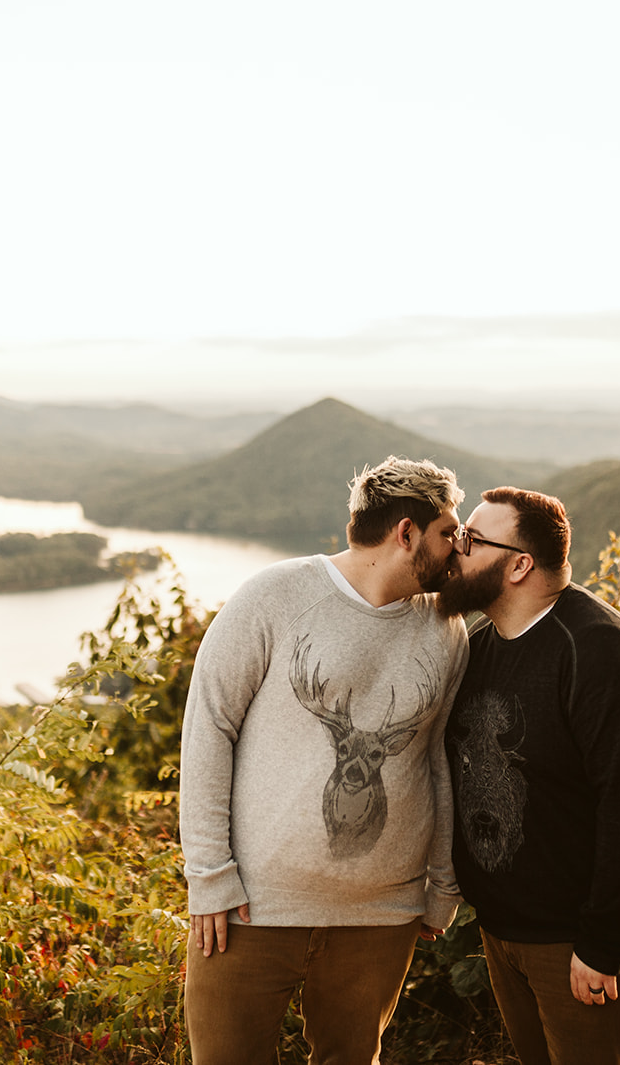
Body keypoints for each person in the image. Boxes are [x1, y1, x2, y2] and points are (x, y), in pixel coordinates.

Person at [179, 455, 471, 1065]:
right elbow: (209, 729)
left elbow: (437, 760)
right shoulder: (272, 598)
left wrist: (442, 884)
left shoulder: (446, 631)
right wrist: (209, 878)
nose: (459, 547)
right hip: (250, 911)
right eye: (449, 532)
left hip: (381, 918)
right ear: (407, 533)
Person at [438, 487, 620, 1065]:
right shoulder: (479, 645)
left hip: (579, 945)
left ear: (519, 565)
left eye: (471, 540)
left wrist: (601, 945)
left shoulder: (600, 653)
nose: (456, 551)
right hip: (505, 933)